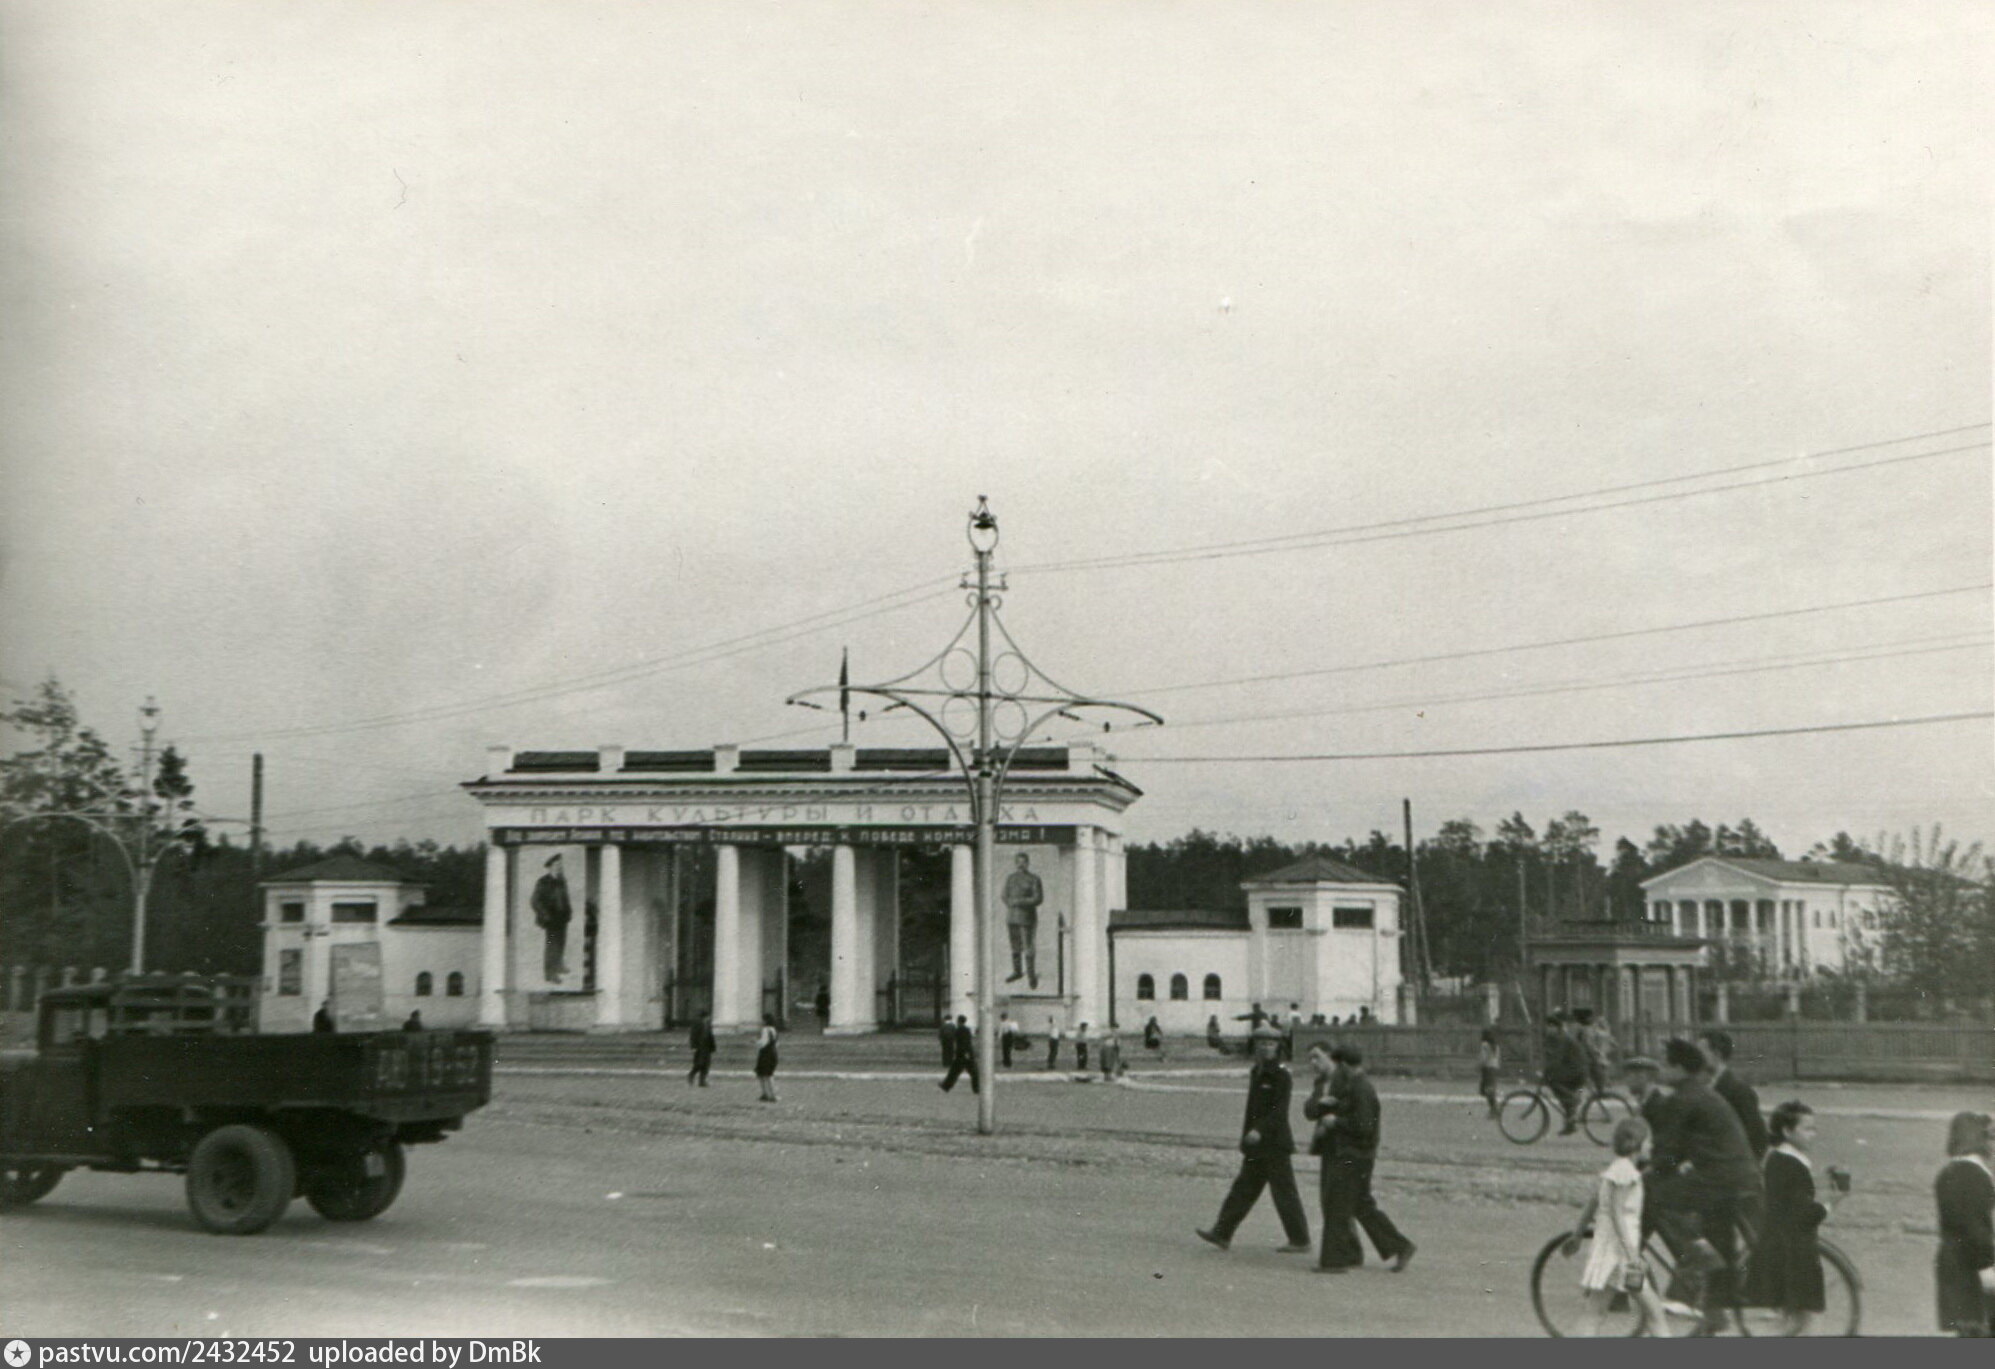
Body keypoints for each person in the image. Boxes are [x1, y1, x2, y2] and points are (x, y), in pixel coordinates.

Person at [1648, 1037, 1762, 1335]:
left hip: (1720, 1178)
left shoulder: (1684, 1098)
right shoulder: (1699, 1092)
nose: (1659, 1069)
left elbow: (1669, 1153)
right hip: (1738, 1176)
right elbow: (1684, 1146)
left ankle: (1696, 1256)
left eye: (1664, 1064)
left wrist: (1646, 1169)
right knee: (1719, 1242)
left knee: (1656, 1195)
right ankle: (1714, 1314)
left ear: (1679, 1069)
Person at [1196, 1024, 1311, 1254]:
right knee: (1243, 1189)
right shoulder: (1256, 1072)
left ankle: (1300, 1240)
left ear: (1278, 1047)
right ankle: (1222, 1233)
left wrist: (1259, 1130)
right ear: (1255, 1046)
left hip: (1275, 1144)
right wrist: (1246, 1137)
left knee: (1284, 1193)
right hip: (1256, 1145)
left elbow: (1279, 1111)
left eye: (1270, 1044)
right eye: (1262, 1043)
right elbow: (1251, 1109)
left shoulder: (1281, 1075)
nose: (1266, 1048)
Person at [1306, 1043, 1415, 1273]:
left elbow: (1364, 1126)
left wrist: (1336, 1121)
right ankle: (1397, 1246)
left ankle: (1335, 1260)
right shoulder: (1356, 1085)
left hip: (1353, 1154)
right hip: (1356, 1154)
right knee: (1360, 1204)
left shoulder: (1360, 1088)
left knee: (1337, 1204)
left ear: (1344, 1065)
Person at [1563, 1117, 1673, 1336]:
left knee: (1595, 1313)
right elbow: (1616, 1212)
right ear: (1636, 1143)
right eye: (1648, 1141)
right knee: (1653, 1313)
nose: (1651, 1146)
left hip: (1611, 1251)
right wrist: (1631, 1255)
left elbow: (1594, 1203)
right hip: (1619, 1254)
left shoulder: (1615, 1169)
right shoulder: (1626, 1174)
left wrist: (1577, 1235)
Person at [1745, 1100, 1834, 1335]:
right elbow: (1803, 1214)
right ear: (1787, 1131)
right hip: (1794, 1252)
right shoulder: (1791, 1164)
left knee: (1796, 1321)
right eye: (1807, 1129)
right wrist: (1833, 1202)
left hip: (1782, 1246)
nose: (1813, 1134)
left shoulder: (1780, 1159)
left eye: (1814, 1129)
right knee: (1805, 1320)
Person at [1934, 1110, 1994, 1337]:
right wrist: (1987, 1266)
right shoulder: (1977, 1176)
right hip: (1973, 1270)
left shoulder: (1946, 1174)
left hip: (1950, 1266)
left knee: (1966, 1331)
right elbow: (1977, 1229)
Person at [1699, 1029, 1770, 1160]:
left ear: (1717, 1054)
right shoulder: (1702, 1085)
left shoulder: (1739, 1091)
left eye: (1700, 1052)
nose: (1695, 1057)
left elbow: (1756, 1138)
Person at [1542, 1013, 1588, 1136]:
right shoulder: (1561, 1037)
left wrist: (1546, 1071)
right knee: (1563, 1094)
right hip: (1576, 1070)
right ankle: (1570, 1124)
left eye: (1550, 1026)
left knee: (1553, 1081)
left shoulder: (1562, 1038)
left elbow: (1557, 1059)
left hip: (1577, 1071)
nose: (1547, 1029)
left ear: (1556, 1027)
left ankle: (1572, 1100)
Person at [1002, 852, 1044, 988]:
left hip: (1027, 918)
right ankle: (1017, 971)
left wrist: (1020, 901)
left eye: (1023, 862)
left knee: (1028, 947)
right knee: (1015, 946)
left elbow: (1038, 898)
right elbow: (1004, 895)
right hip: (1012, 917)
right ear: (1015, 863)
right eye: (1018, 862)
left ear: (1027, 863)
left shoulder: (1034, 879)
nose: (1020, 865)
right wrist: (1009, 902)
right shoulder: (1010, 878)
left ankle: (1031, 976)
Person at [531, 853, 573, 983]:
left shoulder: (562, 881)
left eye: (560, 865)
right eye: (556, 865)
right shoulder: (543, 882)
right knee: (551, 945)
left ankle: (558, 965)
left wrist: (569, 911)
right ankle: (550, 973)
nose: (559, 867)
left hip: (562, 918)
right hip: (551, 919)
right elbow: (535, 901)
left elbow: (565, 897)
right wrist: (545, 915)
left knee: (561, 943)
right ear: (550, 867)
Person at [1574, 1008, 1615, 1096]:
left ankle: (1582, 1094)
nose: (1592, 1019)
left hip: (1582, 1056)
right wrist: (1595, 1053)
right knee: (1596, 1072)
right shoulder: (1586, 1029)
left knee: (1585, 1078)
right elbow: (1588, 1044)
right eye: (1590, 1017)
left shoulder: (1582, 1028)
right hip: (1586, 1056)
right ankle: (1599, 1091)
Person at [939, 1014, 980, 1094]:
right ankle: (976, 1088)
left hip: (962, 1054)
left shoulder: (959, 1030)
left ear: (959, 1021)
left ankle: (946, 1086)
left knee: (954, 1072)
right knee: (973, 1072)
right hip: (966, 1054)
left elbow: (961, 1042)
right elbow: (968, 1042)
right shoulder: (967, 1030)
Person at [752, 1013, 780, 1102]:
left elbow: (763, 1043)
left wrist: (755, 1042)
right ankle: (771, 1094)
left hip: (765, 1054)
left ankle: (767, 1094)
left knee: (764, 1074)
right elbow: (776, 1043)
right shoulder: (774, 1030)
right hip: (773, 1053)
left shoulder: (765, 1030)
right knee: (768, 1074)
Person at [1476, 1028, 1502, 1118]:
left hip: (1487, 1068)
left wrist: (1479, 1065)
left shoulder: (1484, 1045)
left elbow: (1483, 1057)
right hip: (1494, 1068)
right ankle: (1494, 1109)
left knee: (1487, 1090)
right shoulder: (1496, 1046)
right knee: (1490, 1089)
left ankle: (1494, 1109)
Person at [688, 1013, 717, 1087]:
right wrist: (693, 1046)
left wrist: (713, 1047)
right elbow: (693, 1035)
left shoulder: (708, 1025)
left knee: (706, 1065)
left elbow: (711, 1036)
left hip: (707, 1047)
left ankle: (702, 1081)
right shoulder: (697, 1024)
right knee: (699, 1064)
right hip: (699, 1047)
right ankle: (691, 1074)